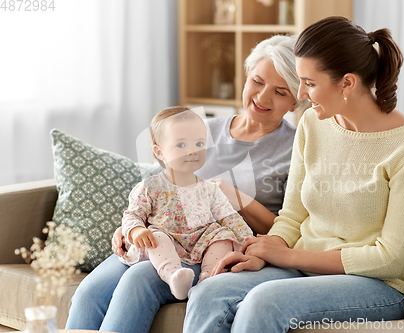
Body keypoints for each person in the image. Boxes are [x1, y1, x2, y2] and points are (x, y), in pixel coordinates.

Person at [183, 16, 404, 333]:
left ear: (347, 83)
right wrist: (267, 250)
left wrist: (287, 256)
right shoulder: (313, 124)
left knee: (266, 301)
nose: (301, 94)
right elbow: (292, 214)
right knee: (209, 291)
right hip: (305, 263)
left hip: (379, 284)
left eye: (310, 83)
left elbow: (391, 258)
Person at [65, 34, 309, 333]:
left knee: (140, 278)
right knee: (89, 294)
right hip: (163, 239)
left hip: (215, 247)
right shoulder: (202, 128)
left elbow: (293, 230)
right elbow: (156, 191)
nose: (262, 97)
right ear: (246, 77)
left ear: (296, 100)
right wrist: (130, 227)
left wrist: (236, 198)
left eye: (280, 91)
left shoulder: (297, 147)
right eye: (257, 81)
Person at [118, 107, 253, 300]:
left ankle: (208, 276)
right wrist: (136, 230)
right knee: (156, 236)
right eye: (181, 145)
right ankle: (173, 275)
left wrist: (248, 240)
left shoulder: (210, 189)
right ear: (160, 152)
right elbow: (133, 214)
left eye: (199, 143)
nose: (192, 151)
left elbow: (230, 217)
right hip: (167, 241)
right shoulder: (150, 187)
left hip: (200, 242)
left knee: (223, 236)